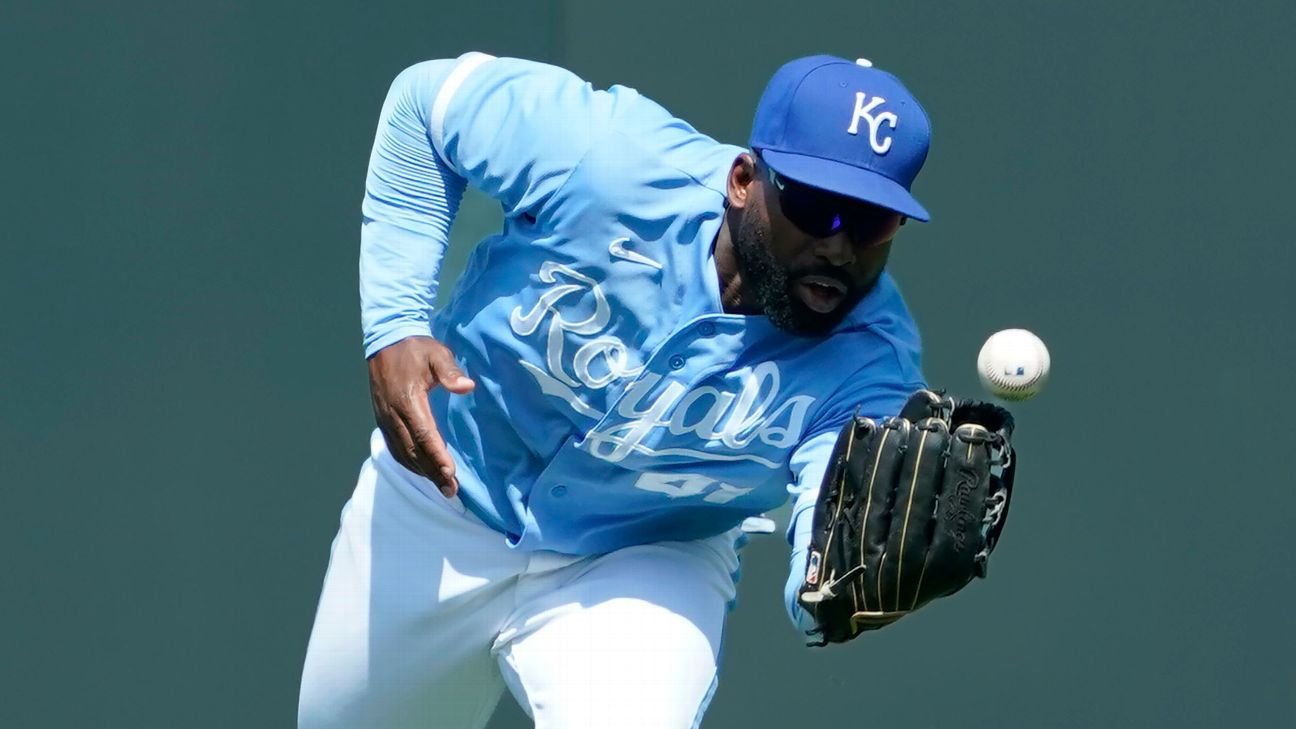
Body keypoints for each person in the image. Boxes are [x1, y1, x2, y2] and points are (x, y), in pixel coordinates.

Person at [300, 51, 933, 728]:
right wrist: (395, 323)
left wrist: (834, 589)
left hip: (647, 559)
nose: (839, 247)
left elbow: (825, 542)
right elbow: (426, 102)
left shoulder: (873, 363)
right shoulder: (610, 162)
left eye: (869, 223)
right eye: (815, 206)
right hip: (441, 499)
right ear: (744, 180)